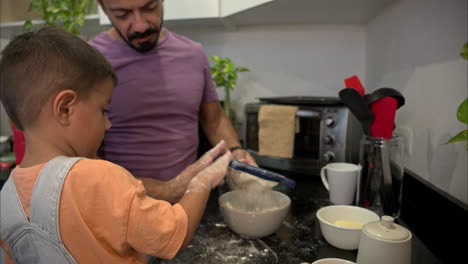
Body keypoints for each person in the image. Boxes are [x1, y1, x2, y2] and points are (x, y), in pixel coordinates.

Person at [0, 27, 232, 264]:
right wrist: (203, 181)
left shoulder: (7, 199)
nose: (108, 124)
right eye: (104, 110)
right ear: (65, 108)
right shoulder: (97, 177)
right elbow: (173, 232)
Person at [89, 0, 257, 203]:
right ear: (103, 6)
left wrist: (235, 151)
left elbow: (213, 120)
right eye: (122, 14)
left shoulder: (193, 53)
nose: (140, 25)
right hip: (123, 208)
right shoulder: (89, 63)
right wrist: (163, 190)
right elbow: (83, 158)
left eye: (149, 7)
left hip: (188, 206)